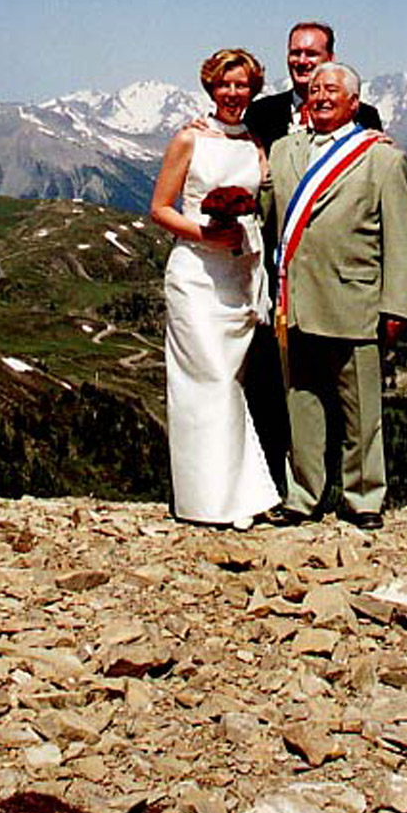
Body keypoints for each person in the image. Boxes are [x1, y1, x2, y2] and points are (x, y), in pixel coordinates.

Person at [266, 61, 407, 529]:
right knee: (302, 406)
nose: (322, 96)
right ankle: (302, 496)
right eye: (315, 89)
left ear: (355, 102)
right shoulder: (281, 151)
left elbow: (401, 238)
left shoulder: (382, 158)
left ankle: (364, 498)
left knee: (361, 411)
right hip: (295, 300)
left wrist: (396, 305)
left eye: (332, 89)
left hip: (355, 301)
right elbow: (265, 214)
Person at [149, 49, 278, 529]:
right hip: (196, 276)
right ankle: (206, 500)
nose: (233, 93)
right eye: (225, 84)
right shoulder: (189, 138)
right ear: (211, 87)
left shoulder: (255, 143)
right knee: (206, 383)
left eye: (241, 85)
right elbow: (160, 208)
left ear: (253, 90)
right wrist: (205, 234)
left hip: (238, 277)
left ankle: (237, 494)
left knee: (231, 383)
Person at [244, 21, 382, 152]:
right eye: (295, 53)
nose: (302, 61)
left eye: (311, 54)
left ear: (330, 58)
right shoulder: (260, 113)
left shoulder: (362, 116)